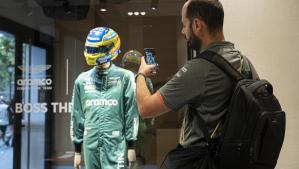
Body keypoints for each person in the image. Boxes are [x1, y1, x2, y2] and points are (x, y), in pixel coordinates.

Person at [135, 0, 259, 168]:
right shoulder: (245, 63)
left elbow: (146, 109)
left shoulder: (199, 68)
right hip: (235, 160)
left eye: (184, 24)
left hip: (201, 161)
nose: (183, 31)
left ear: (197, 25)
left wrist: (141, 74)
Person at [70, 27, 139, 169]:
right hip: (90, 144)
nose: (92, 53)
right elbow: (77, 116)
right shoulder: (82, 80)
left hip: (115, 144)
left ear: (111, 48)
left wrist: (131, 146)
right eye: (90, 49)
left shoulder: (125, 77)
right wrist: (77, 151)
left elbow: (131, 112)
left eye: (96, 50)